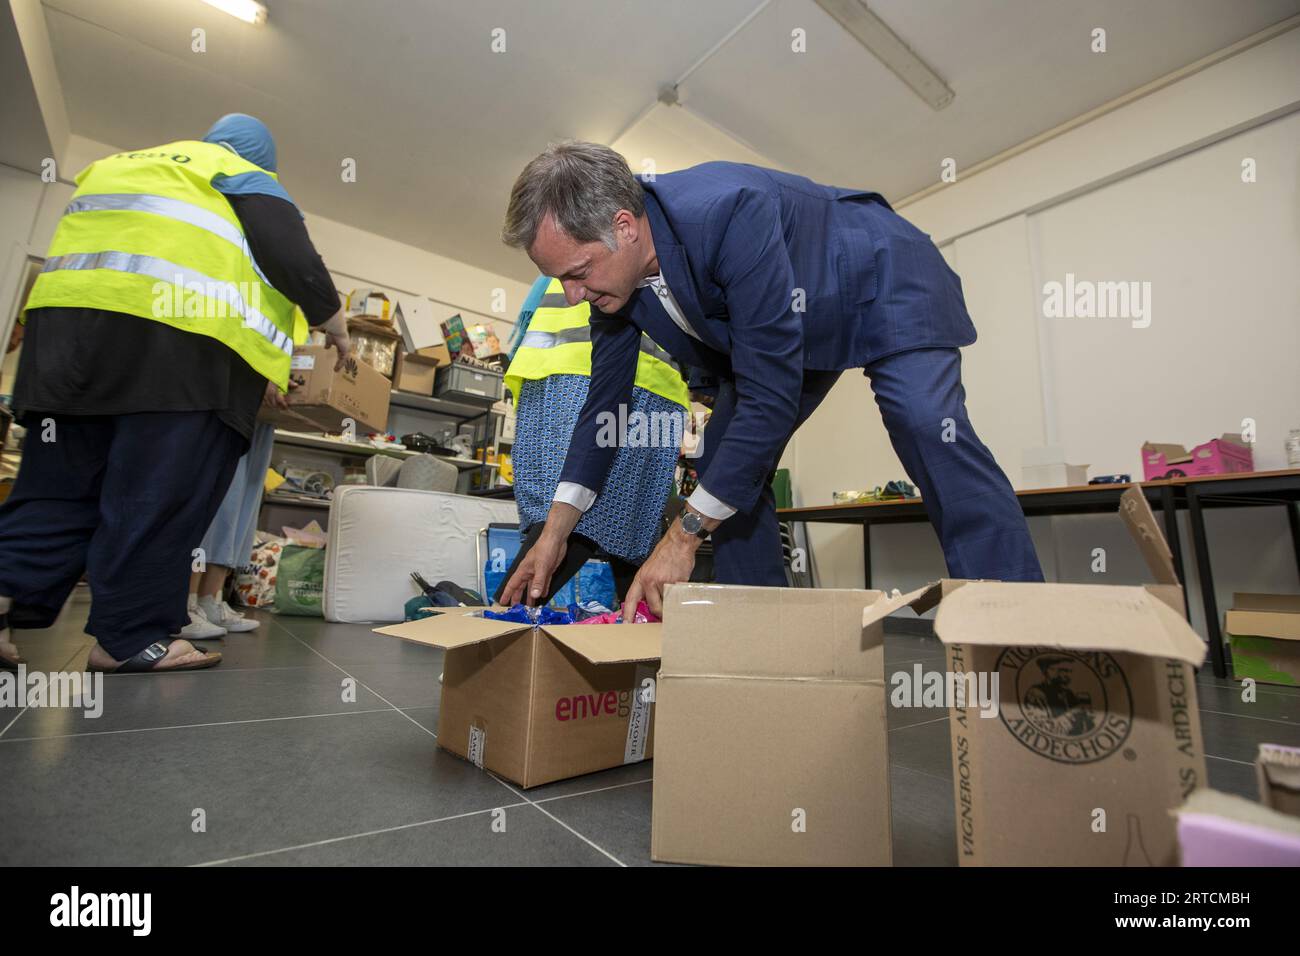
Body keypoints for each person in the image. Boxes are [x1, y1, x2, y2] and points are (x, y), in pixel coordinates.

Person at [498, 142, 1043, 617]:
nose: (571, 294)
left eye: (577, 272)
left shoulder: (726, 212)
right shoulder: (609, 286)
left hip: (884, 278)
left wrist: (682, 536)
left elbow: (769, 395)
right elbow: (603, 413)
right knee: (720, 460)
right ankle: (763, 630)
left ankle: (1013, 620)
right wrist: (553, 533)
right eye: (558, 279)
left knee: (927, 424)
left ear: (624, 226)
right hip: (785, 326)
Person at [0, 113, 349, 673]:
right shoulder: (240, 174)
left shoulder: (115, 166)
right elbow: (291, 255)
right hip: (175, 354)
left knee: (54, 490)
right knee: (156, 495)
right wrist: (335, 322)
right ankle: (128, 637)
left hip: (66, 349)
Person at [495, 275, 690, 606]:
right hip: (633, 379)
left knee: (586, 516)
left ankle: (504, 628)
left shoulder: (565, 261)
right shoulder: (637, 248)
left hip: (550, 371)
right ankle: (505, 631)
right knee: (605, 517)